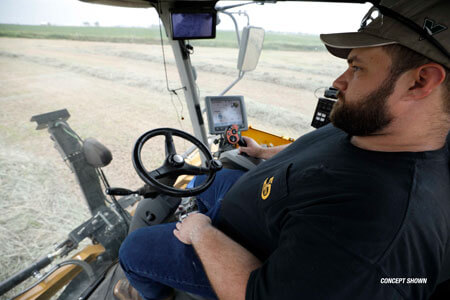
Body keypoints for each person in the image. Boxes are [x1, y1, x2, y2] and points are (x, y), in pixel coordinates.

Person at [118, 0, 450, 299]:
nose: (339, 81)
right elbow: (318, 156)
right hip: (260, 207)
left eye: (357, 67)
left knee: (133, 250)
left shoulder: (377, 227)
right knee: (208, 181)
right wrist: (264, 153)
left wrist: (202, 233)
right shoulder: (372, 126)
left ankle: (154, 294)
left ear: (420, 82)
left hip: (240, 252)